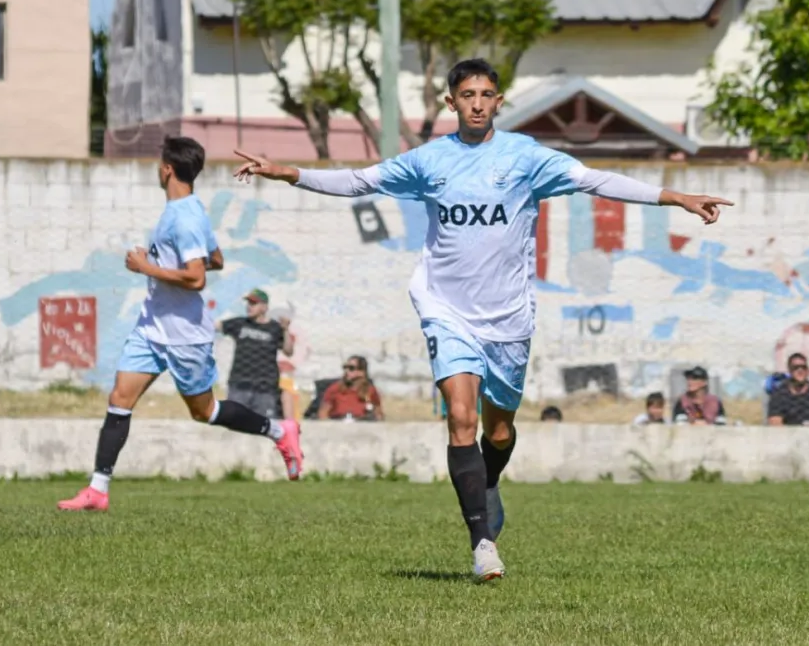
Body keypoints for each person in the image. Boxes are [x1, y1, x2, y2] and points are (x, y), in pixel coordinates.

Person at [232, 58, 731, 581]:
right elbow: (359, 181)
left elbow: (595, 181)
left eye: (486, 94)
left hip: (508, 320)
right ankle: (482, 544)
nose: (476, 103)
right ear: (451, 102)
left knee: (498, 431)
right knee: (461, 419)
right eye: (467, 94)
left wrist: (676, 196)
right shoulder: (429, 160)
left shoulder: (526, 157)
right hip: (446, 310)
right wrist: (288, 172)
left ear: (498, 101)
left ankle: (488, 484)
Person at [57, 137, 303, 512]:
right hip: (152, 326)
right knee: (120, 398)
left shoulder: (185, 217)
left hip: (185, 334)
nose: (158, 168)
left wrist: (145, 267)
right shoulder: (186, 210)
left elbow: (197, 278)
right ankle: (97, 489)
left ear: (168, 169)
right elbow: (215, 259)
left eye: (160, 163)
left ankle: (279, 430)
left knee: (204, 412)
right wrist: (161, 264)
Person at [216, 289, 294, 419]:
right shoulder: (240, 323)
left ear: (264, 307)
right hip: (239, 384)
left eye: (254, 303)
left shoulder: (274, 328)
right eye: (248, 303)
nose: (249, 306)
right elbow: (216, 325)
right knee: (235, 424)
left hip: (265, 387)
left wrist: (285, 330)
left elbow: (289, 351)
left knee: (264, 426)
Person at [316, 356, 384, 421]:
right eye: (345, 367)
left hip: (362, 426)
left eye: (351, 368)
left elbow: (378, 414)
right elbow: (323, 414)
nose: (347, 371)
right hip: (339, 423)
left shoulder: (370, 390)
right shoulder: (335, 389)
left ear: (361, 372)